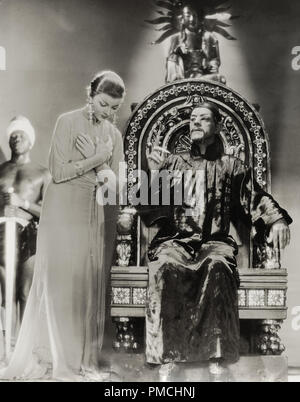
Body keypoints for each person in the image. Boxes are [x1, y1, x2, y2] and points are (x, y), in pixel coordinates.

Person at [141, 101, 292, 381]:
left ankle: (216, 355)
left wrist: (277, 219)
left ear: (217, 126)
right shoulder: (172, 163)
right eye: (193, 118)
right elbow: (149, 207)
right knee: (164, 267)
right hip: (175, 241)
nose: (195, 122)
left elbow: (255, 198)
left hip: (214, 242)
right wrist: (153, 174)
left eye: (204, 118)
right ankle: (168, 355)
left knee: (217, 265)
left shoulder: (232, 166)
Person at [0, 71, 126, 381]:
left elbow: (115, 185)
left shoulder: (115, 134)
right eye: (103, 104)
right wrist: (97, 158)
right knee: (62, 286)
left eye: (115, 108)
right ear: (90, 95)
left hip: (95, 212)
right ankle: (58, 358)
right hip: (62, 210)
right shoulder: (67, 122)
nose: (109, 113)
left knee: (87, 285)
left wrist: (100, 165)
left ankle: (84, 360)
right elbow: (58, 171)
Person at [0, 116, 50, 324]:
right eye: (13, 135)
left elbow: (50, 213)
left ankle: (23, 349)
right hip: (2, 234)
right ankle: (6, 350)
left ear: (31, 140)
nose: (17, 138)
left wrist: (23, 203)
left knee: (25, 291)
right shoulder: (1, 171)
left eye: (21, 135)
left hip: (29, 234)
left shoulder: (42, 173)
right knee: (6, 294)